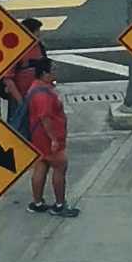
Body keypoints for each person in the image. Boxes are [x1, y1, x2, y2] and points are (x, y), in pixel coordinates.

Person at [21, 61, 78, 217]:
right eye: (53, 69)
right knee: (60, 167)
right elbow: (45, 118)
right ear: (44, 74)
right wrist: (54, 139)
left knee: (41, 167)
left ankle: (37, 203)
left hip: (37, 138)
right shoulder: (43, 95)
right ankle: (59, 205)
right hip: (47, 139)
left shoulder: (36, 87)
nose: (56, 71)